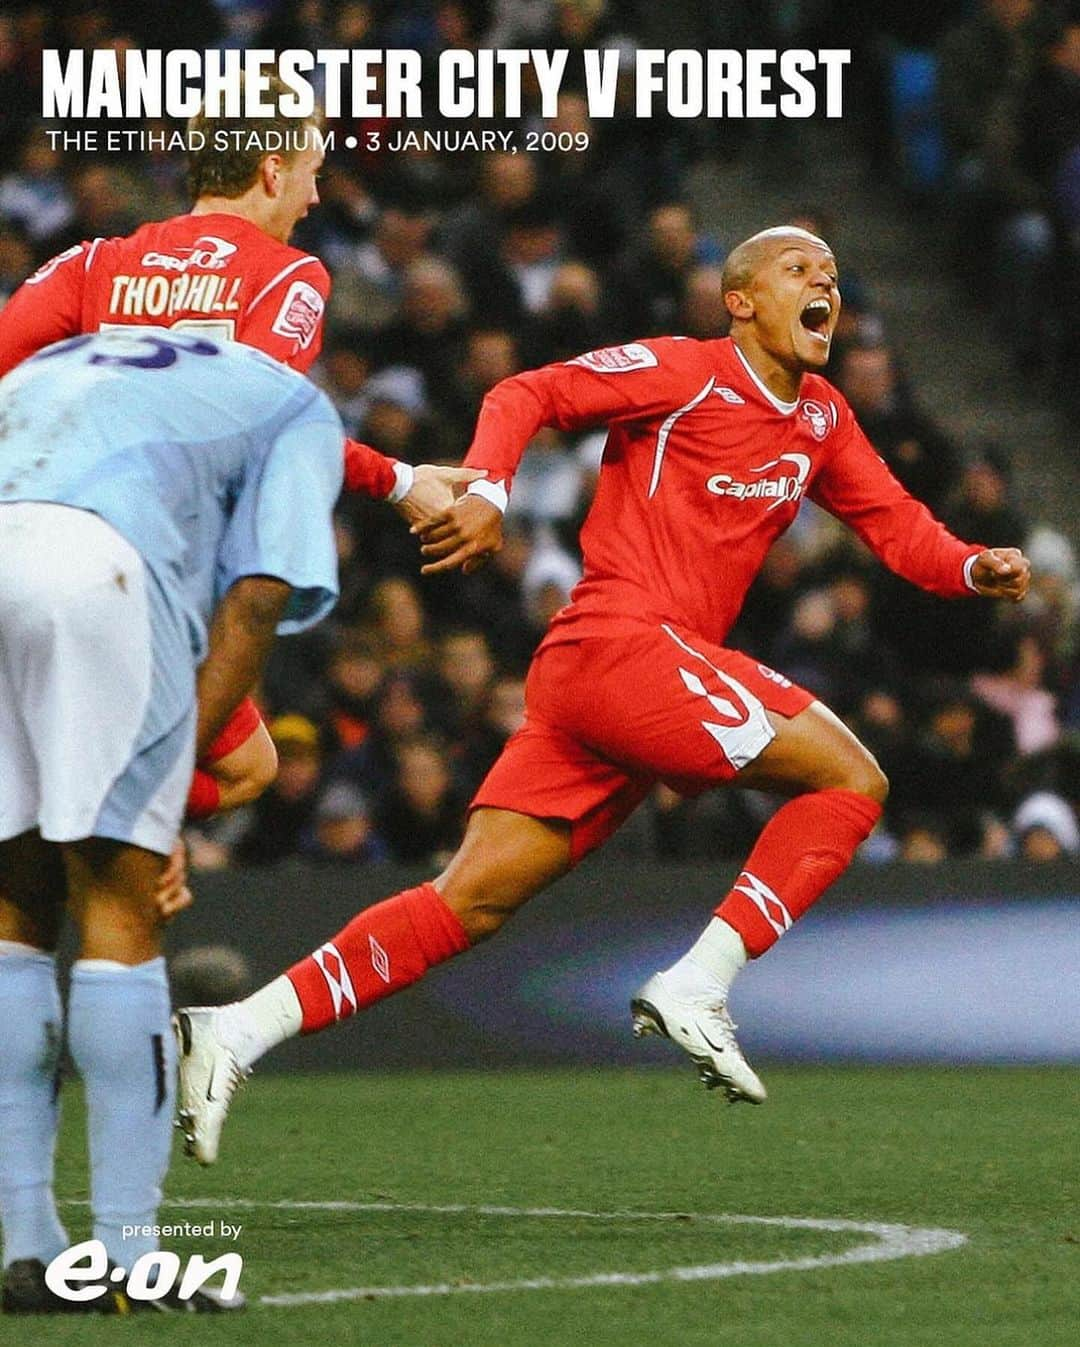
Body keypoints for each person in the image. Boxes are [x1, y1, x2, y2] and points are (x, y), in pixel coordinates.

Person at [175, 226, 1031, 1166]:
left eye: (830, 273)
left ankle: (235, 1031)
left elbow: (897, 523)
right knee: (851, 779)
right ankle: (700, 982)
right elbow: (525, 389)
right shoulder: (683, 370)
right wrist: (492, 490)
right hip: (622, 644)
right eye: (797, 270)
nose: (822, 282)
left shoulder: (822, 416)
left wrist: (968, 565)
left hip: (618, 681)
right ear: (740, 299)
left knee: (469, 901)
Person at [0, 77, 479, 813]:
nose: (315, 199)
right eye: (313, 174)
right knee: (238, 770)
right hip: (149, 571)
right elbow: (260, 423)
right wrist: (397, 480)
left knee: (238, 760)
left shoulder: (93, 262)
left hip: (40, 541)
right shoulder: (288, 277)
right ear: (272, 170)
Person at [0, 327, 347, 1313]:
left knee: (13, 912)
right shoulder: (288, 400)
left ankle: (28, 1247)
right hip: (95, 569)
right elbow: (259, 596)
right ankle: (128, 1256)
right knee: (120, 910)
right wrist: (163, 782)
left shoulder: (54, 362)